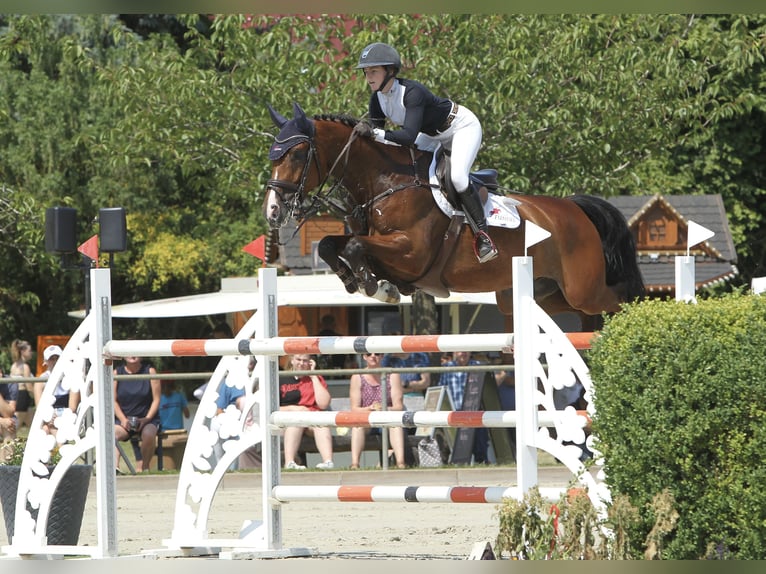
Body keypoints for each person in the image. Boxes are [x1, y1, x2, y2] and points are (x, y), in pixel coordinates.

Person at [354, 42, 497, 263]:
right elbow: (382, 143)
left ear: (390, 71)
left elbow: (408, 136)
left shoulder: (412, 92)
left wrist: (373, 133)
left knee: (458, 178)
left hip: (460, 127)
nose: (368, 77)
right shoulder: (377, 99)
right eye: (366, 72)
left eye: (373, 71)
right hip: (431, 134)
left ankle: (483, 235)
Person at [349, 352, 406, 469]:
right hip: (367, 419)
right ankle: (355, 464)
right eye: (369, 354)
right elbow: (354, 408)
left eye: (377, 354)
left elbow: (398, 407)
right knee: (357, 426)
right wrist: (369, 409)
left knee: (396, 425)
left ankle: (400, 463)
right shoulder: (357, 376)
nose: (373, 356)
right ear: (364, 357)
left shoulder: (393, 375)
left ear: (382, 356)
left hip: (387, 418)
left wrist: (384, 408)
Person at [279, 353, 334, 470]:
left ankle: (328, 462)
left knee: (322, 424)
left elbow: (323, 403)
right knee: (296, 422)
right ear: (292, 360)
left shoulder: (315, 378)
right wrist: (293, 409)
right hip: (287, 421)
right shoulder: (281, 378)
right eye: (298, 359)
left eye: (305, 361)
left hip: (311, 419)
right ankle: (289, 463)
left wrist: (313, 376)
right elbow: (271, 407)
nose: (301, 363)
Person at [438, 350, 489, 464]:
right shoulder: (446, 368)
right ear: (455, 353)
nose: (463, 353)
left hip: (474, 410)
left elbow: (489, 388)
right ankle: (452, 461)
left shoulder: (478, 366)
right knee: (448, 437)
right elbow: (441, 389)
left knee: (480, 434)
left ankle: (481, 461)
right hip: (454, 411)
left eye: (466, 351)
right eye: (460, 351)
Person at [114, 356, 161, 472]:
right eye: (128, 352)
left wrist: (147, 419)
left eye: (135, 352)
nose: (132, 355)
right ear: (123, 356)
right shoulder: (116, 373)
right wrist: (123, 420)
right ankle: (114, 468)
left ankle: (144, 467)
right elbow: (112, 400)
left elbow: (157, 399)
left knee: (149, 434)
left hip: (147, 419)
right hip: (123, 420)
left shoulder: (150, 371)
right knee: (110, 434)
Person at [33, 344, 73, 435]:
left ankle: (60, 447)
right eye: (51, 359)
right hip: (49, 417)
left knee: (52, 429)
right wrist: (49, 417)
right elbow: (39, 407)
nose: (55, 361)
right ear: (45, 361)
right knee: (45, 430)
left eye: (57, 358)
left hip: (67, 416)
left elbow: (73, 407)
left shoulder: (70, 377)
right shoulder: (40, 380)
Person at [9, 339, 33, 429]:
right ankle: (7, 441)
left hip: (15, 396)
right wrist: (38, 396)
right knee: (15, 426)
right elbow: (29, 386)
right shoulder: (25, 367)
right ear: (23, 351)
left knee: (32, 422)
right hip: (22, 396)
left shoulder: (13, 366)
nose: (31, 353)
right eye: (29, 351)